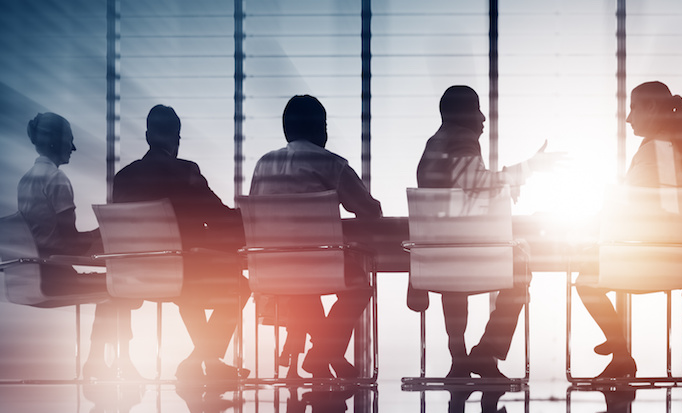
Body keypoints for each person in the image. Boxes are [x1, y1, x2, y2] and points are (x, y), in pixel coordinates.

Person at [414, 85, 562, 378]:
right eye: (477, 110)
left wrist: (502, 189)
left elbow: (460, 196)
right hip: (469, 254)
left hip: (439, 258)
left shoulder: (434, 145)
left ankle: (459, 357)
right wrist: (528, 168)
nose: (483, 119)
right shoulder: (462, 140)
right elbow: (476, 182)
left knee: (453, 272)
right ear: (463, 114)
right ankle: (486, 352)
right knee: (520, 267)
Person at [250, 94, 383, 379]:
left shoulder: (262, 165)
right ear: (318, 128)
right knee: (359, 286)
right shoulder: (332, 165)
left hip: (271, 269)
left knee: (302, 286)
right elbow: (371, 212)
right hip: (316, 266)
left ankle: (320, 354)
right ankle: (324, 352)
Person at [113, 105, 249, 381]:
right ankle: (199, 359)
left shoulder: (123, 178)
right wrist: (248, 218)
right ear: (177, 137)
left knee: (189, 284)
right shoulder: (186, 171)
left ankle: (209, 362)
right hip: (184, 273)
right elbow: (219, 217)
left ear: (148, 135)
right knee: (241, 286)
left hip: (136, 277)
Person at [575, 81, 682, 378]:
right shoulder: (673, 147)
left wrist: (588, 224)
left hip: (648, 259)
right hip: (672, 259)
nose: (629, 118)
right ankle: (618, 343)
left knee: (585, 281)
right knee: (592, 264)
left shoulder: (657, 149)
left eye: (633, 108)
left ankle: (620, 351)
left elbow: (630, 205)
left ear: (651, 108)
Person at [17, 112, 135, 380]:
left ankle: (105, 360)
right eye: (69, 140)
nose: (73, 147)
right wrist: (103, 232)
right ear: (54, 142)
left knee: (114, 286)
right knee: (119, 286)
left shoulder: (26, 180)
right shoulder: (57, 180)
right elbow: (69, 243)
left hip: (31, 274)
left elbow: (48, 235)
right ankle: (111, 361)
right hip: (54, 275)